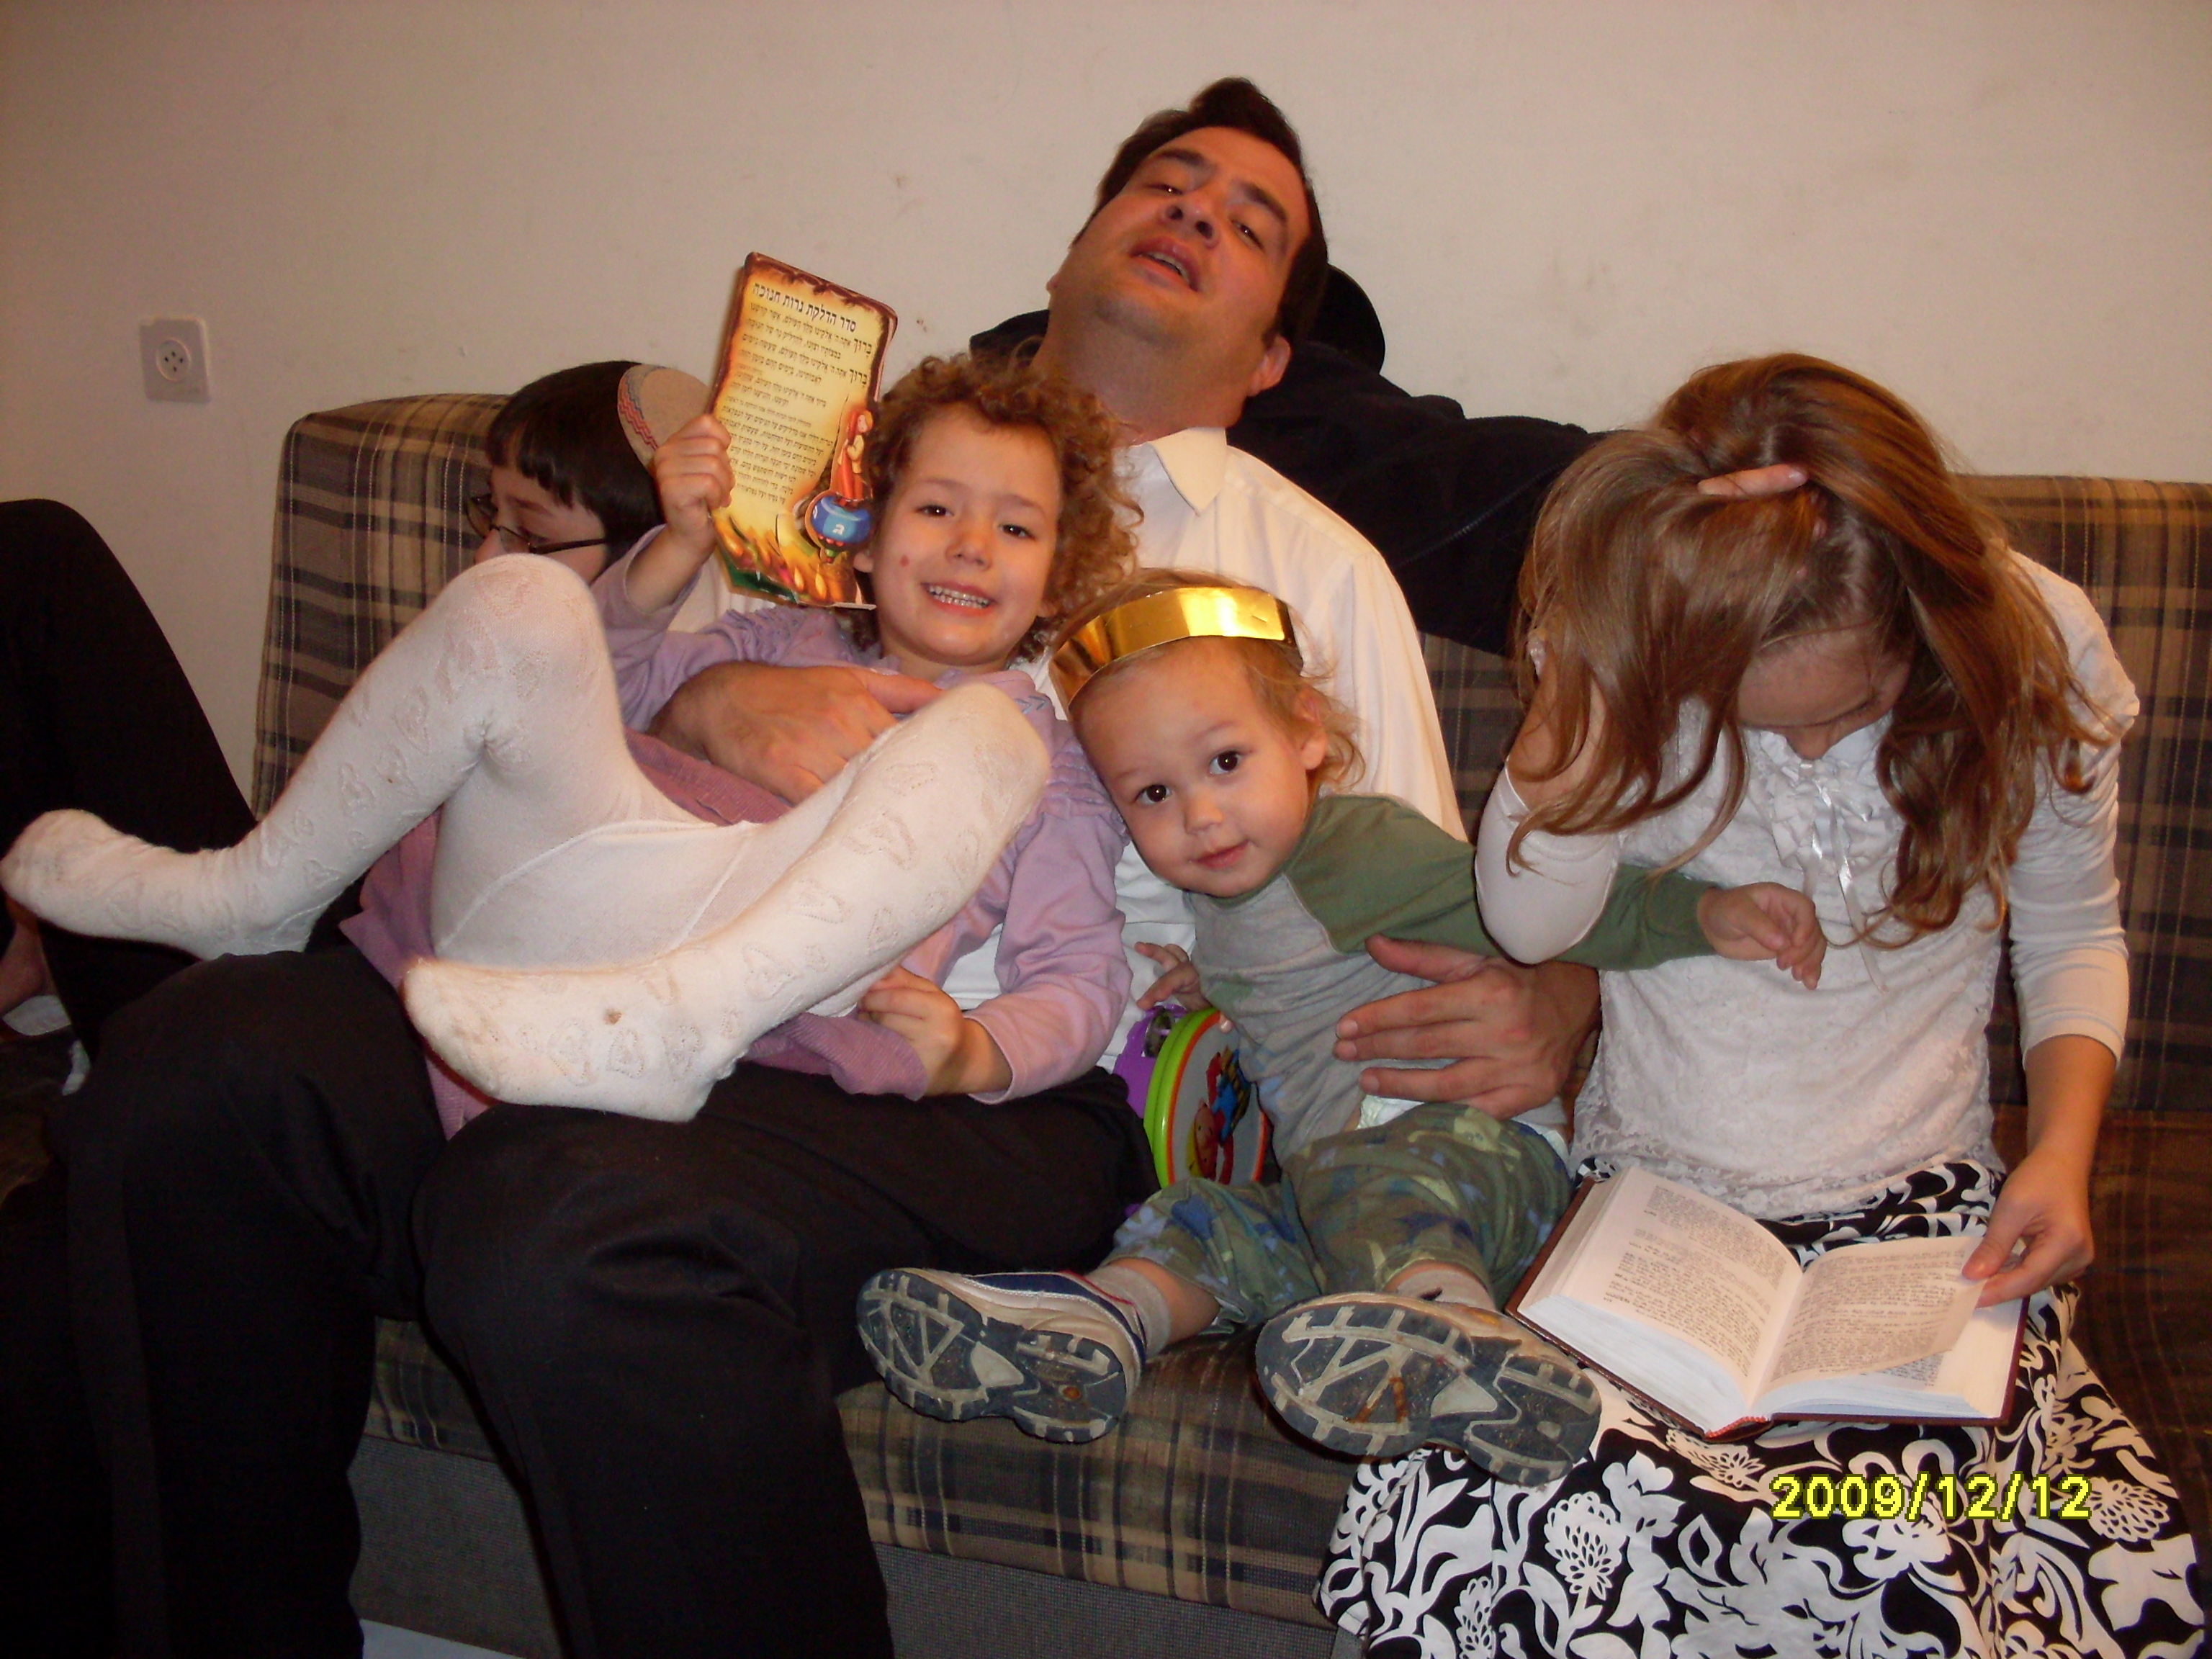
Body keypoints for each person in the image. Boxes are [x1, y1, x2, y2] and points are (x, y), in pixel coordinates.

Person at [1319, 356, 2202, 1655]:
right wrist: (1592, 683)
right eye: (1753, 716)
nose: (1804, 749)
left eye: (1850, 708)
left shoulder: (2030, 636)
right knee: (1509, 1495)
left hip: (1919, 1207)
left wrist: (2063, 1158)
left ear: (1926, 621)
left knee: (1895, 1544)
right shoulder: (1634, 634)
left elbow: (2074, 932)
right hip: (1656, 1199)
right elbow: (1533, 926)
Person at [857, 572, 1823, 1486]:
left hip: (1474, 1160)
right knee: (1204, 1217)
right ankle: (1102, 1325)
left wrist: (1703, 913)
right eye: (1154, 794)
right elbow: (1287, 972)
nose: (1201, 814)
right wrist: (1209, 981)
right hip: (1339, 1191)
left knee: (1367, 1184)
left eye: (1226, 762)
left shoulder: (1359, 850)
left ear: (1306, 732)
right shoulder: (1229, 904)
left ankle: (1465, 1337)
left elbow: (1543, 908)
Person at [6, 354, 1133, 1123]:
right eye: (936, 507)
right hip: (564, 889)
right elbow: (597, 696)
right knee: (528, 598)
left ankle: (676, 1029)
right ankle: (256, 893)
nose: (972, 544)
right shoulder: (767, 639)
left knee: (994, 733)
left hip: (745, 978)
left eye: (1016, 526)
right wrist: (675, 550)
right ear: (866, 534)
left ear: (1055, 582)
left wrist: (978, 1051)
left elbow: (1081, 976)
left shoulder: (1048, 765)